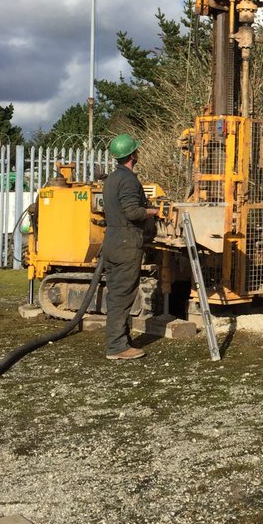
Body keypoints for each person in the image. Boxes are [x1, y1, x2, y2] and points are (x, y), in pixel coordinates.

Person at [101, 133, 159, 361]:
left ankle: (120, 341)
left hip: (113, 241)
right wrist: (155, 211)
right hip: (126, 244)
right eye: (136, 149)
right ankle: (117, 347)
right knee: (123, 297)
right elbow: (132, 212)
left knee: (116, 295)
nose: (138, 152)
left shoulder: (112, 179)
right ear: (132, 155)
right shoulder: (128, 180)